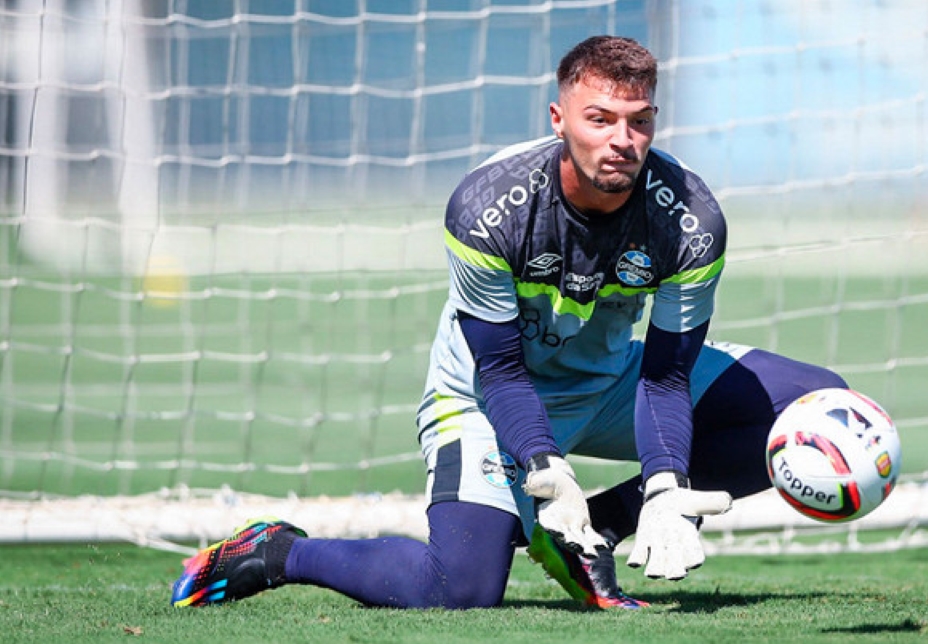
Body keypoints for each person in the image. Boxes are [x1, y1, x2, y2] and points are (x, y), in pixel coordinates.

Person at [170, 35, 846, 611]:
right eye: (600, 118)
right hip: (486, 398)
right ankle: (282, 551)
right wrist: (546, 466)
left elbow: (665, 377)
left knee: (820, 411)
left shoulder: (690, 220)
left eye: (638, 122)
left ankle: (597, 530)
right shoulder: (489, 208)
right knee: (460, 587)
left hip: (618, 380)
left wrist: (664, 488)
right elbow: (499, 368)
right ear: (559, 118)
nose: (621, 140)